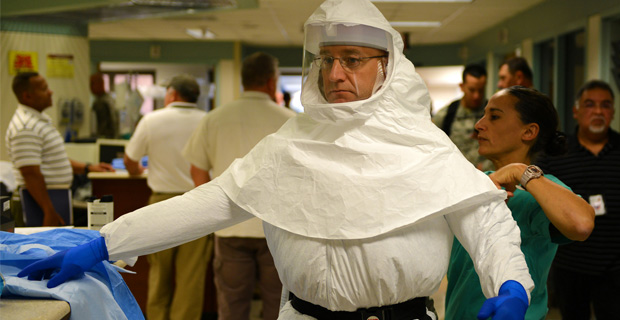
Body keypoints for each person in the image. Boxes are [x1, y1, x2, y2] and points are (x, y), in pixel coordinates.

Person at [18, 1, 535, 319]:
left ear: (386, 67)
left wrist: (510, 284)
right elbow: (209, 203)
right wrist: (108, 242)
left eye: (352, 60)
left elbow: (486, 222)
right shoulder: (291, 144)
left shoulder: (426, 146)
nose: (336, 74)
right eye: (328, 59)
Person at [445, 86, 595, 320]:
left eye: (494, 117)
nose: (479, 125)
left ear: (529, 132)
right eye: (484, 115)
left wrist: (520, 172)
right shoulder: (477, 184)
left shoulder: (539, 190)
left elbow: (582, 224)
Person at [182, 53, 294, 320]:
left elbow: (197, 169)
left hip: (229, 226)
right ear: (271, 81)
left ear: (243, 81)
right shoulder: (290, 120)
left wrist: (212, 211)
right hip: (276, 230)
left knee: (231, 306)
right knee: (277, 307)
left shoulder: (215, 118)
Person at [123, 74, 209, 320]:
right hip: (199, 204)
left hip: (161, 204)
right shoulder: (207, 120)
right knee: (190, 276)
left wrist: (137, 171)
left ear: (171, 94)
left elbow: (131, 160)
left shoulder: (152, 120)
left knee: (159, 272)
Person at [537, 80, 620, 319]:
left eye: (605, 105)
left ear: (613, 112)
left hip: (616, 266)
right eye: (589, 105)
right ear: (576, 111)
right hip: (569, 264)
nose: (597, 111)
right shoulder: (554, 153)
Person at [6, 72, 114, 227]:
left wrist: (88, 168)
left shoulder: (38, 121)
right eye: (44, 89)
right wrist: (48, 211)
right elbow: (30, 173)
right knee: (41, 251)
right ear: (27, 96)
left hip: (51, 198)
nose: (50, 92)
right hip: (37, 203)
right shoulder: (25, 127)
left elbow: (53, 160)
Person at [433, 64, 492, 170]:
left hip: (487, 176)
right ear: (462, 87)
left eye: (481, 90)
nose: (476, 96)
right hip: (454, 174)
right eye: (472, 90)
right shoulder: (447, 114)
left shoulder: (493, 114)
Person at [90, 73, 117, 139]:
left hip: (105, 141)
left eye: (92, 84)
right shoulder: (109, 99)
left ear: (100, 84)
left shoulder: (101, 103)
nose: (90, 87)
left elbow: (103, 128)